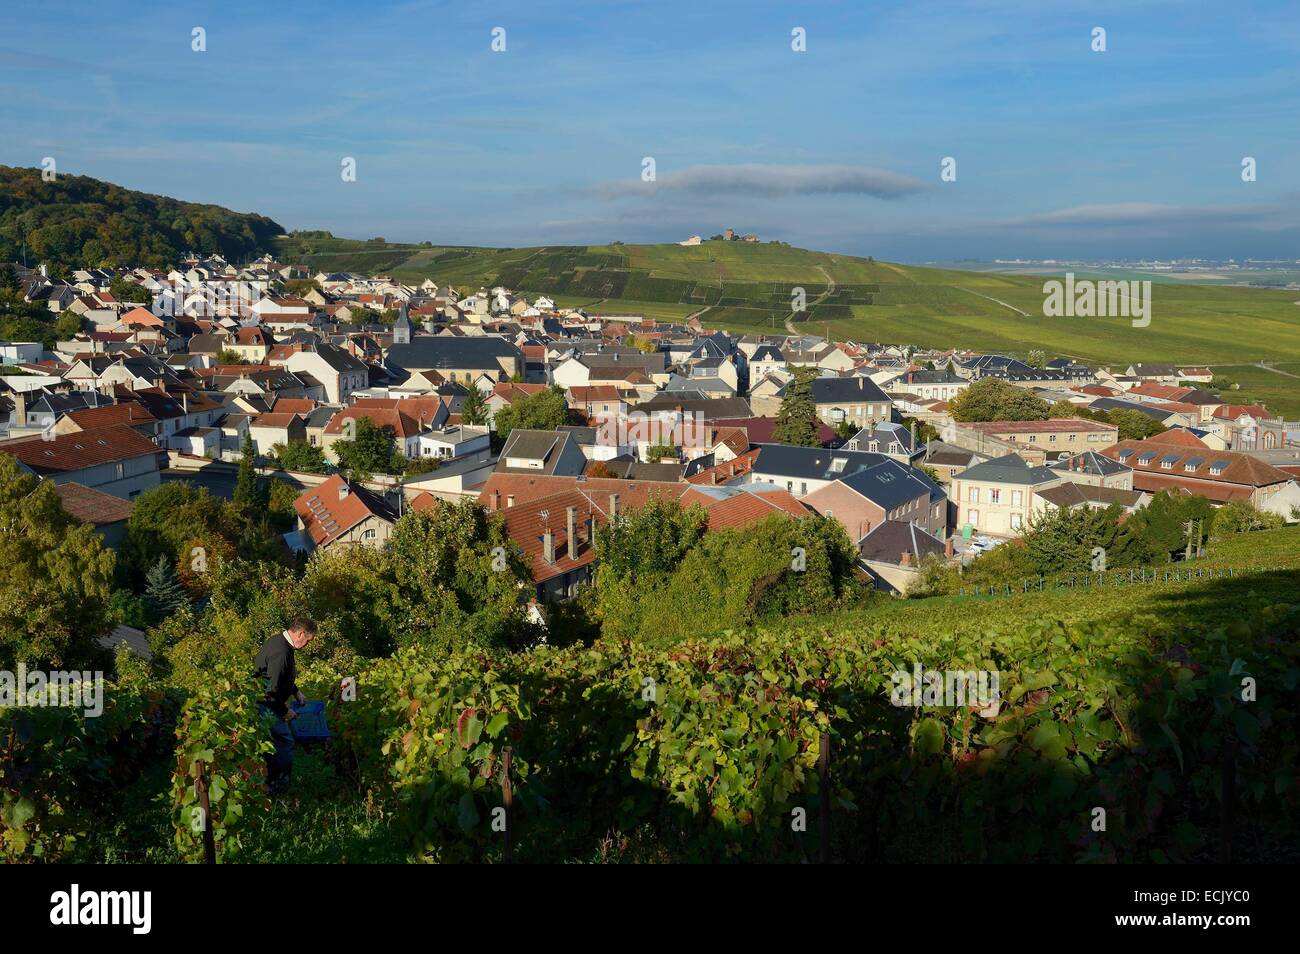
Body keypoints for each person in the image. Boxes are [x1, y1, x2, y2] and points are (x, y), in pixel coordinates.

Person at [254, 617, 317, 794]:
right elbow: (271, 690)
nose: (307, 645)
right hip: (266, 705)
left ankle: (265, 783)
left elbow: (280, 676)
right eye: (308, 641)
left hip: (268, 703)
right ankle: (276, 788)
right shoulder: (281, 652)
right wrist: (285, 711)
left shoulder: (279, 642)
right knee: (284, 744)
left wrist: (295, 691)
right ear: (301, 634)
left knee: (270, 744)